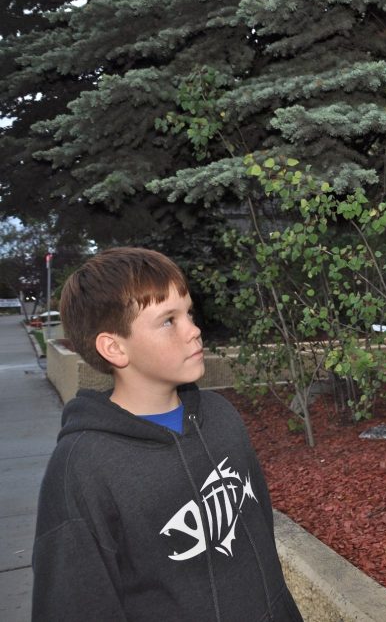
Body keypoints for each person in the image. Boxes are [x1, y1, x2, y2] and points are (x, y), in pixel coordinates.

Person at [32, 248, 302, 621]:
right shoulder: (83, 469)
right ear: (114, 347)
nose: (194, 330)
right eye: (168, 321)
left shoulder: (221, 417)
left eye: (188, 313)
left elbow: (261, 541)